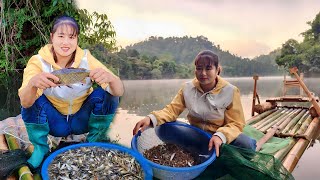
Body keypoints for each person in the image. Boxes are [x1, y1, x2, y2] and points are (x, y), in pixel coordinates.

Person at [18, 15, 124, 169]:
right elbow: (25, 102)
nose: (66, 42)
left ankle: (94, 141)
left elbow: (119, 91)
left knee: (108, 94)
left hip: (82, 120)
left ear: (77, 40)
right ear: (52, 37)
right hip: (56, 123)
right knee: (32, 96)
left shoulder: (86, 59)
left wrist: (112, 79)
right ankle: (41, 148)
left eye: (71, 37)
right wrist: (33, 84)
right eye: (61, 36)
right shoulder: (38, 61)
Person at [133, 50, 256, 157]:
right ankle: (198, 149)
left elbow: (236, 123)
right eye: (199, 68)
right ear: (195, 70)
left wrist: (221, 136)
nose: (203, 73)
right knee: (162, 127)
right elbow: (172, 110)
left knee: (247, 145)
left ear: (217, 70)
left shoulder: (230, 91)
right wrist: (151, 118)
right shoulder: (187, 88)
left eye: (208, 68)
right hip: (195, 134)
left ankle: (213, 149)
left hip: (220, 135)